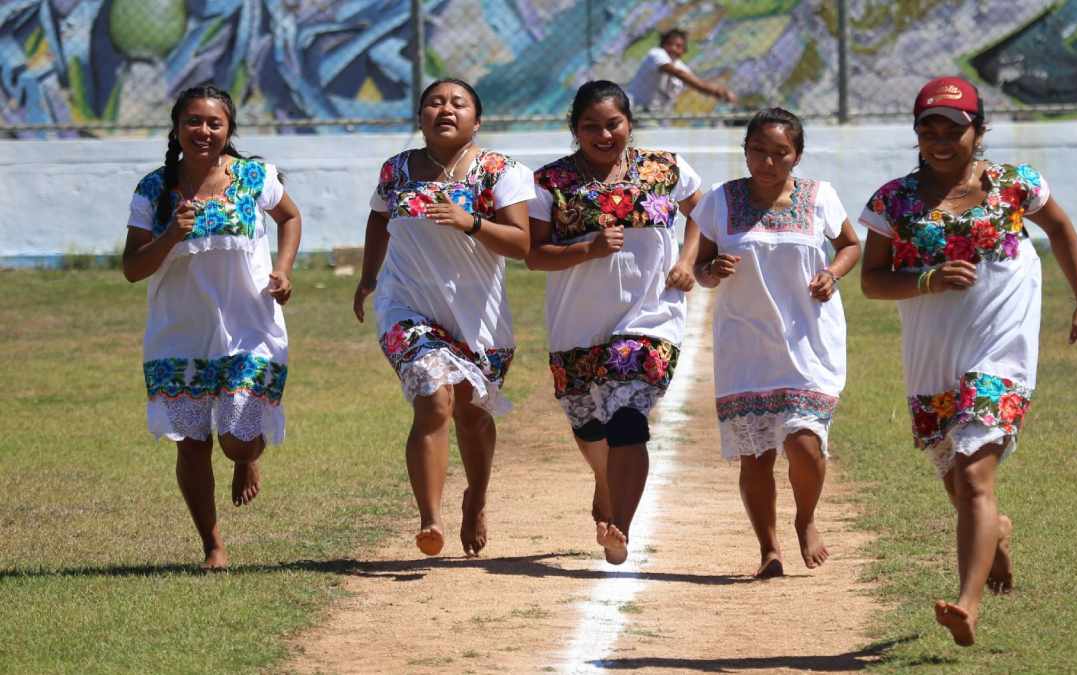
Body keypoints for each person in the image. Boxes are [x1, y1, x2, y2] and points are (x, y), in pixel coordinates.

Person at [858, 76, 1077, 646]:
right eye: (928, 129)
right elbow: (871, 282)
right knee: (961, 482)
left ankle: (966, 606)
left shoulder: (1016, 185)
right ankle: (998, 535)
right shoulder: (892, 199)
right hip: (932, 359)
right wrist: (928, 277)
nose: (941, 140)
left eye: (954, 128)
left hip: (1002, 352)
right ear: (916, 134)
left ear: (979, 130)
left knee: (973, 474)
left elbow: (1061, 228)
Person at [121, 84, 302, 570]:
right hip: (180, 332)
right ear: (177, 128)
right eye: (193, 122)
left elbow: (290, 217)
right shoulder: (153, 189)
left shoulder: (253, 177)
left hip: (250, 328)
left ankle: (247, 456)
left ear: (228, 130)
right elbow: (133, 268)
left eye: (214, 123)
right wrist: (170, 234)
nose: (203, 130)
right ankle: (213, 546)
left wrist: (283, 269)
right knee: (193, 443)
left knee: (238, 438)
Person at [353, 78, 533, 558]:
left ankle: (475, 498)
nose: (445, 109)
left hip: (479, 318)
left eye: (458, 103)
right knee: (434, 402)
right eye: (434, 102)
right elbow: (378, 218)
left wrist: (469, 221)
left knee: (474, 416)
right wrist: (369, 278)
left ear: (478, 119)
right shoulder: (396, 170)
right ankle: (430, 518)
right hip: (406, 309)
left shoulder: (502, 171)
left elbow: (521, 243)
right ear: (420, 117)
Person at [526, 80, 702, 565]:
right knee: (589, 426)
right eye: (590, 127)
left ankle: (620, 525)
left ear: (629, 123)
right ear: (574, 129)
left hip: (651, 317)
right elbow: (535, 256)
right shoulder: (549, 182)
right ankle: (605, 483)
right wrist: (588, 247)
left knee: (628, 419)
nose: (603, 135)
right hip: (576, 326)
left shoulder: (665, 168)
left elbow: (704, 212)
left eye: (613, 124)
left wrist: (688, 260)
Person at [691, 108, 860, 578]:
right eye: (758, 151)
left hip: (809, 342)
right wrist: (712, 270)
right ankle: (769, 549)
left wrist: (832, 272)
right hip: (747, 346)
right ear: (745, 151)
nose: (767, 162)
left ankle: (805, 519)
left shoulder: (820, 196)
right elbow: (702, 268)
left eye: (779, 153)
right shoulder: (720, 202)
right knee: (757, 455)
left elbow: (851, 245)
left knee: (806, 444)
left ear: (797, 156)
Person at [626, 28, 738, 112]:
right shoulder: (656, 54)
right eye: (669, 44)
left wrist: (722, 92)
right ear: (662, 45)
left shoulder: (681, 67)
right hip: (634, 109)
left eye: (678, 46)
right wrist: (716, 91)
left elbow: (697, 84)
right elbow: (679, 74)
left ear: (684, 51)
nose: (673, 48)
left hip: (656, 113)